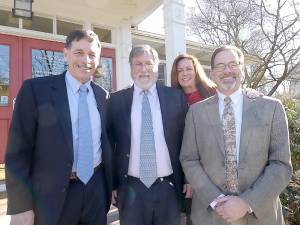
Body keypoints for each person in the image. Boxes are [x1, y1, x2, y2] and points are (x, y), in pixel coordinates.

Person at [5, 30, 112, 225]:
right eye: (79, 52)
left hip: (95, 191)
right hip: (52, 197)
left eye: (92, 55)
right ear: (65, 54)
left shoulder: (103, 96)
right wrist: (21, 206)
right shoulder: (36, 91)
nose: (86, 60)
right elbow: (17, 153)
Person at [180, 45, 292, 225]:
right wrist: (216, 199)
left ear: (243, 70)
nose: (227, 71)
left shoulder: (271, 108)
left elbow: (281, 165)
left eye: (233, 64)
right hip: (211, 215)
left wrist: (247, 202)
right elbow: (189, 159)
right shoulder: (195, 113)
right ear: (212, 73)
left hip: (260, 216)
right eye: (220, 66)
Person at [109, 45, 188, 225]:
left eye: (148, 64)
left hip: (168, 187)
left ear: (156, 66)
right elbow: (109, 144)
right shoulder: (115, 101)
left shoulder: (175, 97)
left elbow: (187, 140)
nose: (144, 69)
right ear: (130, 68)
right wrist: (113, 183)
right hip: (131, 189)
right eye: (138, 64)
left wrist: (187, 179)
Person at [170, 53, 216, 225]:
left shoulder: (213, 92)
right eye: (179, 70)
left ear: (196, 70)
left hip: (210, 164)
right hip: (181, 163)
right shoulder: (171, 98)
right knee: (186, 215)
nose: (184, 73)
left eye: (188, 68)